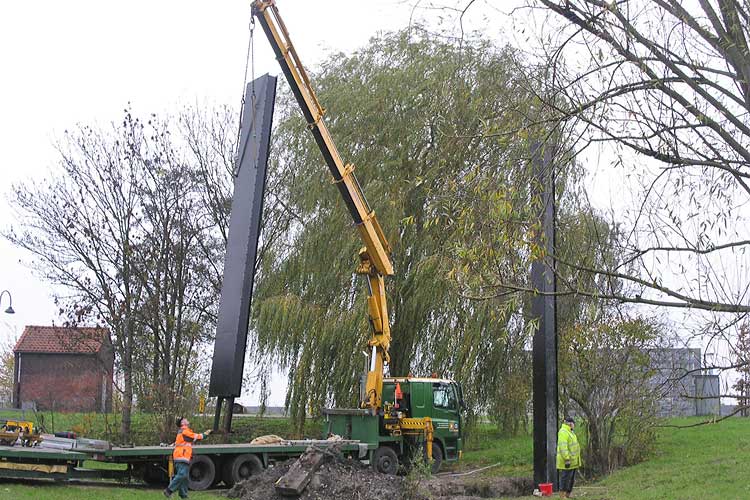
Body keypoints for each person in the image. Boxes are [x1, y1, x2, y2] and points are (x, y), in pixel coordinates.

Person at [164, 417, 212, 499]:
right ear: (182, 423)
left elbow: (192, 439)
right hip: (181, 456)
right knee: (182, 475)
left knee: (184, 476)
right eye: (184, 419)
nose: (186, 419)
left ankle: (184, 495)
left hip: (182, 456)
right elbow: (197, 437)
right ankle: (169, 490)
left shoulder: (184, 432)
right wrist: (205, 434)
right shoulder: (185, 431)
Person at [556, 416, 581, 498]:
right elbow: (563, 447)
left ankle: (568, 494)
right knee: (565, 479)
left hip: (574, 461)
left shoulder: (571, 432)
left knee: (571, 479)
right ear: (570, 423)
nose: (574, 425)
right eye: (574, 424)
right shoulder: (563, 432)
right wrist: (567, 458)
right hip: (567, 461)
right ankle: (562, 495)